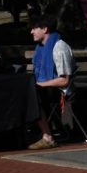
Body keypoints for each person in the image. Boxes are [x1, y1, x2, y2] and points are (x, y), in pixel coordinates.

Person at [28, 15, 76, 150]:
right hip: (47, 89)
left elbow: (64, 80)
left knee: (32, 94)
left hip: (60, 92)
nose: (31, 32)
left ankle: (47, 137)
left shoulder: (59, 47)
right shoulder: (40, 48)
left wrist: (39, 85)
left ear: (45, 29)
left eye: (34, 28)